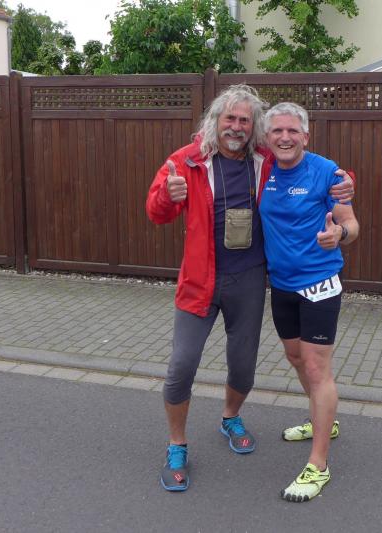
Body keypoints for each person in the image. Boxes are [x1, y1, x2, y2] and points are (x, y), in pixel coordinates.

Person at [146, 85, 354, 492]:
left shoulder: (264, 160)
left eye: (244, 120)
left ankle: (230, 417)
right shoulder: (186, 161)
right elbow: (156, 213)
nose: (237, 127)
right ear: (215, 120)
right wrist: (168, 198)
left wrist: (346, 182)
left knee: (243, 366)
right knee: (181, 366)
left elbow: (311, 167)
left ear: (253, 126)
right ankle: (176, 444)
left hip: (249, 280)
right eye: (230, 119)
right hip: (199, 281)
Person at [258, 102, 360, 503]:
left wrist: (340, 236)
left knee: (317, 369)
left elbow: (351, 223)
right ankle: (324, 419)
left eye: (292, 131)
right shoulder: (262, 169)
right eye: (277, 131)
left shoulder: (326, 171)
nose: (285, 137)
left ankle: (319, 465)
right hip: (281, 285)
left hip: (319, 283)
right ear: (267, 138)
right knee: (296, 358)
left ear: (305, 135)